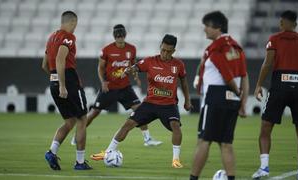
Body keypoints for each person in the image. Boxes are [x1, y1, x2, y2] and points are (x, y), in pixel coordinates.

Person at [91, 34, 192, 168]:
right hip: (150, 103)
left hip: (168, 105)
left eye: (168, 51)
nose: (165, 53)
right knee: (127, 124)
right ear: (160, 47)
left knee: (176, 127)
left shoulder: (178, 65)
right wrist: (128, 70)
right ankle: (108, 151)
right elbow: (136, 67)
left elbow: (184, 82)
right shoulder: (150, 61)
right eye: (163, 50)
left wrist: (187, 100)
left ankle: (175, 159)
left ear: (173, 51)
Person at [71, 24, 162, 153]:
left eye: (121, 35)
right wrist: (103, 82)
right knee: (94, 113)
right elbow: (100, 68)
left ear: (125, 35)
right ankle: (77, 136)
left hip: (125, 88)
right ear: (114, 36)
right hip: (109, 87)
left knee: (140, 110)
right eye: (117, 36)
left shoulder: (131, 49)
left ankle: (147, 139)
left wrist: (135, 77)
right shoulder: (107, 50)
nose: (120, 38)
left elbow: (132, 65)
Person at [189, 11, 249, 180]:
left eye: (207, 26)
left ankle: (193, 178)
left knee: (204, 141)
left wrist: (236, 90)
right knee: (226, 144)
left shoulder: (215, 48)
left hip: (215, 97)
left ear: (218, 27)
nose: (205, 30)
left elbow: (226, 74)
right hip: (232, 101)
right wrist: (241, 102)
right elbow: (244, 76)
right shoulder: (237, 48)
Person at [252, 10, 298, 179]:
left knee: (266, 127)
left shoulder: (275, 39)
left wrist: (258, 85)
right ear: (295, 24)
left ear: (281, 23)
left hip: (279, 85)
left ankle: (264, 167)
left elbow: (267, 64)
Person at [41, 11, 92, 170]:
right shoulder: (68, 37)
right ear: (72, 22)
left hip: (54, 80)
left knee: (69, 121)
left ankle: (52, 152)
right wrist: (63, 85)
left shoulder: (51, 38)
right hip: (68, 81)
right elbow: (60, 59)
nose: (75, 28)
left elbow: (44, 65)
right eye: (75, 25)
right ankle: (80, 162)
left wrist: (56, 80)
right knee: (82, 119)